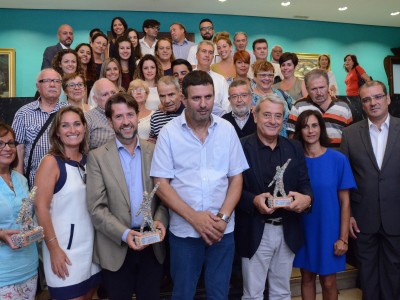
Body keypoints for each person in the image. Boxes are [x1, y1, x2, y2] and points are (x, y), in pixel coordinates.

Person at [150, 70, 249, 299]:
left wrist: (222, 218)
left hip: (222, 232)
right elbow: (161, 184)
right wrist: (195, 218)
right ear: (184, 99)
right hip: (184, 233)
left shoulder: (226, 130)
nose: (203, 104)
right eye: (196, 98)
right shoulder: (168, 133)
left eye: (208, 97)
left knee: (219, 294)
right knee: (183, 294)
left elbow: (236, 178)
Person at [86, 92, 168, 300]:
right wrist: (124, 234)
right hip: (116, 246)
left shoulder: (155, 150)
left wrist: (159, 220)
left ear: (137, 116)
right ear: (109, 121)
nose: (126, 122)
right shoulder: (97, 157)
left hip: (152, 245)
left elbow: (165, 196)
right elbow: (96, 208)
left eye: (130, 115)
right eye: (119, 117)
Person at [235, 93, 312, 300]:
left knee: (282, 292)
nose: (273, 121)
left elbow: (305, 183)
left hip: (288, 229)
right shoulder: (240, 147)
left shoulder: (294, 147)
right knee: (253, 294)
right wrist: (252, 200)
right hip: (254, 229)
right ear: (256, 116)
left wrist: (307, 200)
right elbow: (230, 189)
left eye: (278, 116)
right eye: (267, 115)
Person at [340, 81, 400, 300]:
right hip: (362, 218)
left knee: (395, 274)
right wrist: (349, 216)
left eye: (377, 97)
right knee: (367, 275)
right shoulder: (350, 134)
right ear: (361, 104)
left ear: (388, 99)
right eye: (366, 100)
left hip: (396, 215)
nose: (373, 103)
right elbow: (345, 180)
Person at [35, 106, 101, 299]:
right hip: (64, 251)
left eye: (76, 124)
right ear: (57, 131)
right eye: (65, 125)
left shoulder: (91, 161)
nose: (72, 130)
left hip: (92, 250)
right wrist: (54, 250)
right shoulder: (51, 162)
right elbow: (40, 208)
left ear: (85, 127)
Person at [293, 110, 356, 300]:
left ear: (321, 128)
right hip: (303, 229)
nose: (310, 131)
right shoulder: (296, 162)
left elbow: (345, 203)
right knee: (307, 278)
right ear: (299, 131)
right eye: (305, 126)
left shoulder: (338, 160)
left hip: (329, 230)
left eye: (314, 125)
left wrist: (343, 238)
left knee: (329, 281)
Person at [0, 123, 39, 300]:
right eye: (0, 143)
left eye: (11, 143)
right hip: (3, 275)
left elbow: (27, 218)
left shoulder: (21, 180)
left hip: (29, 269)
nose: (7, 148)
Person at [12, 68, 67, 187]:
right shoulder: (23, 113)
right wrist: (20, 183)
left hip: (65, 179)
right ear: (38, 86)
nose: (53, 84)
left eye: (57, 81)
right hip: (33, 182)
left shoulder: (69, 111)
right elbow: (18, 150)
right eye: (47, 81)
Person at [287, 69, 352, 147]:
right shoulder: (298, 106)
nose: (319, 93)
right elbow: (292, 138)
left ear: (328, 86)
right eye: (314, 89)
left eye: (322, 87)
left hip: (338, 156)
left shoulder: (343, 107)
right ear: (307, 89)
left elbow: (350, 137)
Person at [251, 60, 293, 137]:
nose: (267, 78)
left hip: (285, 143)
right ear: (255, 77)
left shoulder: (282, 94)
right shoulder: (248, 99)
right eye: (263, 75)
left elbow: (295, 112)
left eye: (270, 75)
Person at [195, 40, 230, 116]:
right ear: (197, 55)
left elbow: (226, 106)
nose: (207, 55)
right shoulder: (188, 77)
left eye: (210, 53)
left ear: (213, 57)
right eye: (204, 51)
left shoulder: (220, 80)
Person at [148, 76, 185, 141]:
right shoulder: (155, 118)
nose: (167, 100)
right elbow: (152, 142)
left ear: (180, 93)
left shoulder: (191, 114)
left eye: (171, 95)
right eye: (162, 96)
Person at [85, 78, 118, 150]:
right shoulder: (88, 118)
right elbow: (83, 150)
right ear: (95, 99)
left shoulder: (125, 114)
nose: (111, 97)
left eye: (113, 93)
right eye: (105, 94)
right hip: (97, 160)